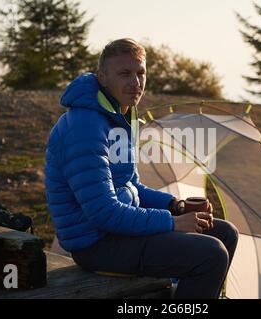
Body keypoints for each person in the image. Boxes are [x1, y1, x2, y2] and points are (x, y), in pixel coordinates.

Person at [44, 38, 238, 299]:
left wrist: (175, 206)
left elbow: (131, 185)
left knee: (225, 232)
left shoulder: (118, 117)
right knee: (210, 254)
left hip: (119, 231)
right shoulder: (85, 126)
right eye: (124, 74)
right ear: (102, 77)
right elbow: (102, 212)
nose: (135, 83)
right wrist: (172, 223)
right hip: (96, 243)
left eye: (140, 73)